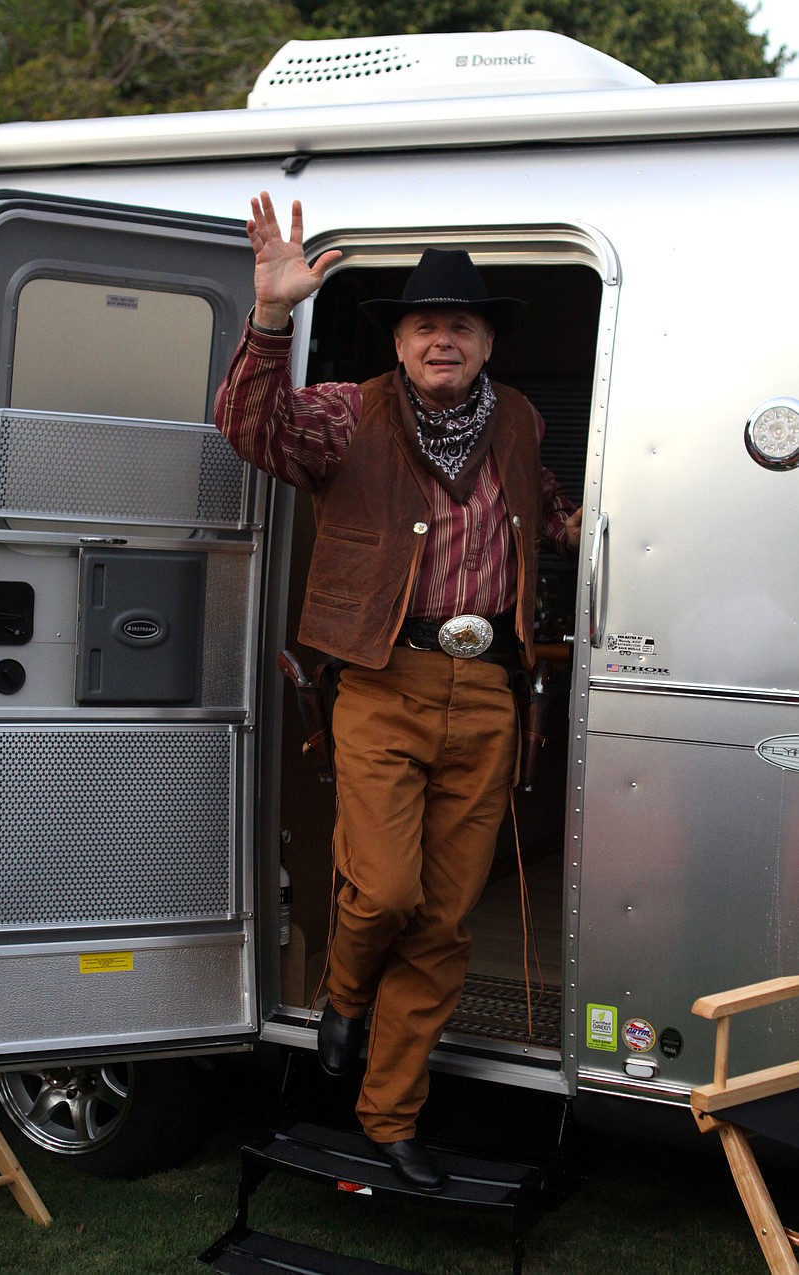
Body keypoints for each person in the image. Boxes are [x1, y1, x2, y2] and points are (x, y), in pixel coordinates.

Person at [214, 191, 582, 1193]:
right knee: (382, 891)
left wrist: (618, 529)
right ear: (403, 340)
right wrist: (272, 315)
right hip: (381, 681)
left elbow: (548, 515)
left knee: (443, 920)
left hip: (489, 694)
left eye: (459, 324)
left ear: (485, 340)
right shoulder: (347, 411)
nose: (440, 339)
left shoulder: (519, 420)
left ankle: (389, 1118)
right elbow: (251, 430)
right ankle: (341, 994)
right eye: (424, 324)